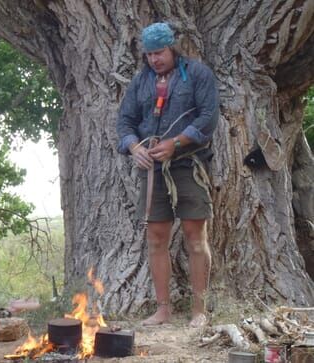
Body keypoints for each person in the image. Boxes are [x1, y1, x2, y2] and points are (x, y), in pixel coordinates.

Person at [116, 22, 219, 328]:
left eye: (159, 52)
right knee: (156, 238)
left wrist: (176, 143)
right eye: (149, 54)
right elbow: (125, 122)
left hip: (189, 164)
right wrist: (134, 147)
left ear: (172, 47)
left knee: (195, 237)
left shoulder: (198, 74)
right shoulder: (141, 82)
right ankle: (163, 310)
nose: (154, 59)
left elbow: (208, 118)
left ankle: (199, 310)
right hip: (153, 172)